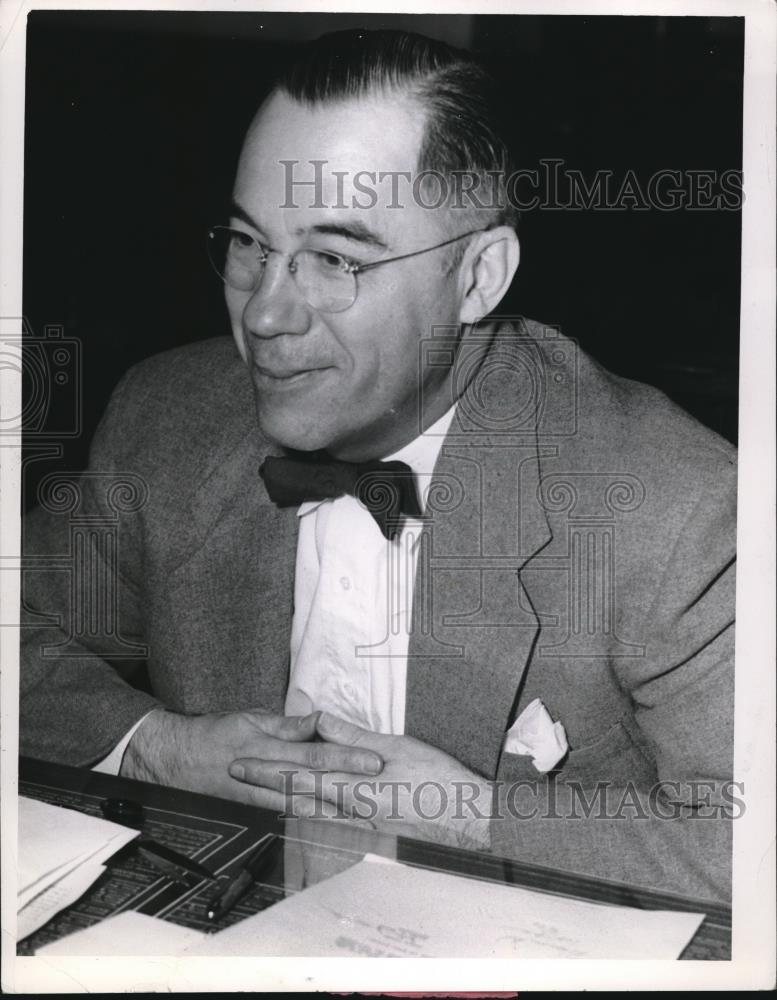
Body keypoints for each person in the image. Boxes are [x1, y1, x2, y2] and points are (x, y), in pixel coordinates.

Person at [20, 29, 736, 901]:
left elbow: (744, 834)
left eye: (333, 259)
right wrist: (160, 746)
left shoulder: (673, 504)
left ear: (478, 277)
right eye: (250, 244)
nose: (267, 315)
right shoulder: (170, 416)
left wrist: (470, 817)